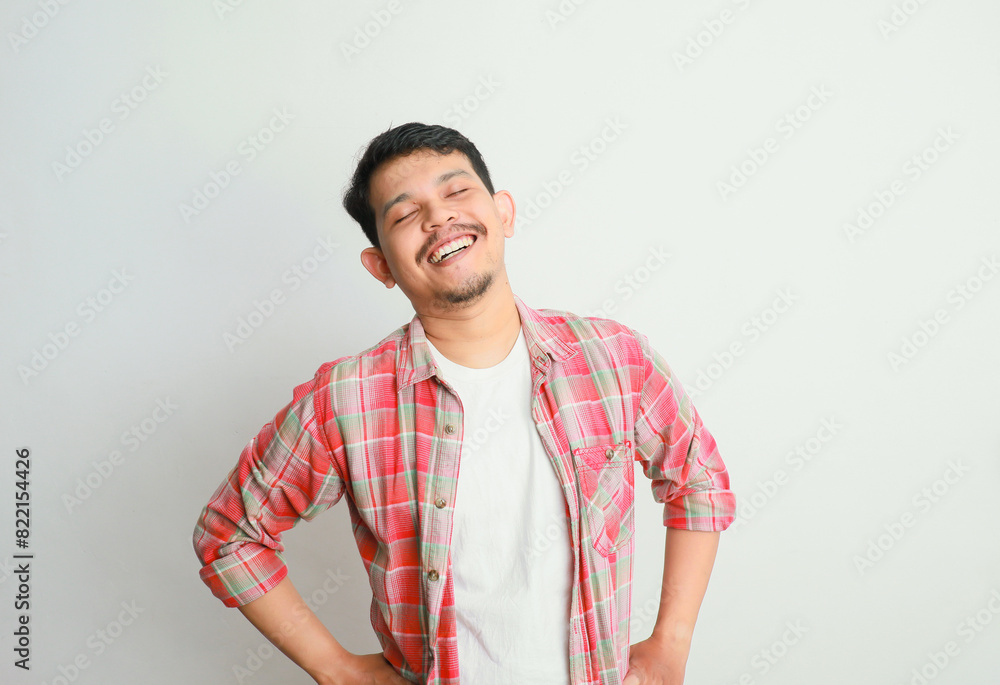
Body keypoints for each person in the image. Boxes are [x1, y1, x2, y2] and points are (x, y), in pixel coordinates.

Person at [192, 122, 736, 685]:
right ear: (381, 266)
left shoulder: (614, 358)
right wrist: (337, 669)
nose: (438, 217)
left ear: (504, 213)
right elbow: (229, 534)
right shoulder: (347, 401)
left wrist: (671, 643)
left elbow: (698, 481)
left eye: (456, 191)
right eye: (406, 214)